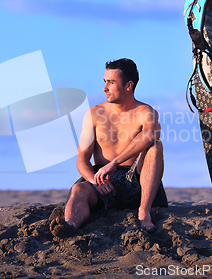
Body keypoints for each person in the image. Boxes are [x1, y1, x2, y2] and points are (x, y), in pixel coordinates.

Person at [50, 58, 168, 238]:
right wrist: (94, 180)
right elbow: (82, 158)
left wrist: (114, 163)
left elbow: (151, 135)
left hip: (137, 179)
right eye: (105, 82)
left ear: (129, 86)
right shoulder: (94, 114)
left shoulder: (145, 112)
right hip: (103, 180)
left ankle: (144, 213)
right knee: (79, 189)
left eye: (111, 83)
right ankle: (70, 226)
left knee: (155, 147)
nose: (104, 88)